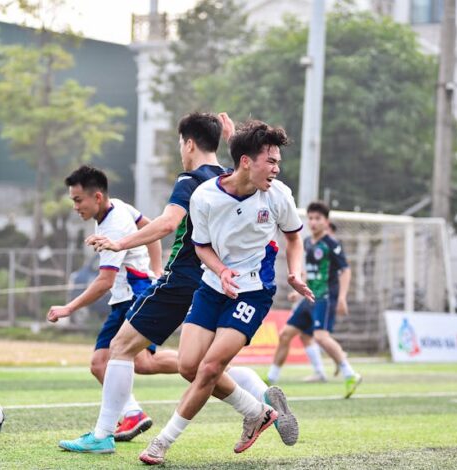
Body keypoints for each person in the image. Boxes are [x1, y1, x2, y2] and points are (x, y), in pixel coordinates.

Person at [64, 112, 299, 456]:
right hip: (216, 279)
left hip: (189, 277)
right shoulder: (226, 175)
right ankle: (259, 395)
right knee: (204, 365)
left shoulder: (190, 181)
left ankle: (104, 433)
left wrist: (120, 244)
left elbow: (166, 224)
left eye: (179, 143)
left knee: (121, 347)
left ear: (188, 143)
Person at [138, 119, 313, 465]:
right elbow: (201, 247)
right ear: (246, 162)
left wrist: (295, 271)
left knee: (209, 368)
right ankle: (257, 411)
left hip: (253, 292)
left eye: (278, 161)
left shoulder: (278, 196)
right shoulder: (205, 197)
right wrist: (221, 271)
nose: (277, 169)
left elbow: (293, 238)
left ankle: (162, 442)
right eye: (271, 161)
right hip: (212, 286)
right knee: (188, 366)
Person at [48, 165, 177, 449]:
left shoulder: (113, 225)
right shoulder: (117, 207)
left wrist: (68, 308)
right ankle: (132, 414)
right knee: (100, 365)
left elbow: (104, 281)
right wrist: (156, 268)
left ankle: (201, 364)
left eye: (77, 200)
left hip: (134, 297)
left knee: (143, 363)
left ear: (96, 197)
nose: (74, 207)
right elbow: (151, 228)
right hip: (123, 300)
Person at [266, 201, 361, 397]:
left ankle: (350, 373)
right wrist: (299, 288)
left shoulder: (331, 244)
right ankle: (270, 379)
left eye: (318, 218)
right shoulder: (308, 242)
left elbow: (345, 270)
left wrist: (342, 297)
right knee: (286, 334)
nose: (313, 222)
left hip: (324, 298)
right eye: (310, 218)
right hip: (309, 298)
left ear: (326, 222)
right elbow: (308, 271)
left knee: (320, 336)